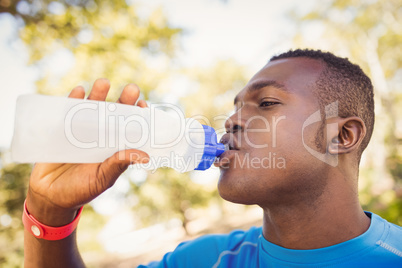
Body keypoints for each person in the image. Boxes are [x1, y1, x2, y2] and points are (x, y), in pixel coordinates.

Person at [23, 49, 402, 267]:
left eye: (266, 103)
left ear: (341, 135)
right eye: (234, 107)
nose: (232, 120)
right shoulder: (202, 260)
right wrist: (48, 212)